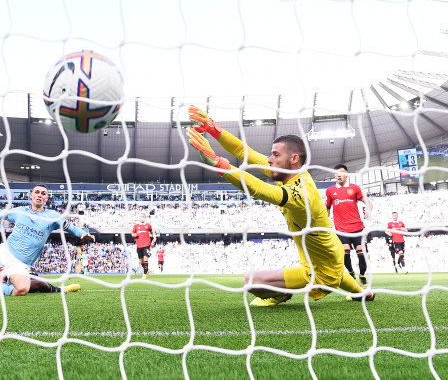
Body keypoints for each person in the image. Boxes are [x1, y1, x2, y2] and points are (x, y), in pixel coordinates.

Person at [186, 105, 374, 306]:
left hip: (319, 271)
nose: (269, 159)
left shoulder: (302, 193)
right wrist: (213, 129)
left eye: (275, 155)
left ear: (293, 159)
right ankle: (361, 292)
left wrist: (218, 164)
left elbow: (258, 189)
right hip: (330, 255)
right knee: (334, 269)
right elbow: (244, 152)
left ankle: (281, 294)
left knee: (251, 280)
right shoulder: (289, 174)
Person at [0, 182, 94, 296]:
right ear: (31, 195)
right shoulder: (19, 211)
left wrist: (82, 233)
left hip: (20, 264)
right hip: (2, 252)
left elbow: (70, 227)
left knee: (22, 290)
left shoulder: (53, 216)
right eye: (36, 192)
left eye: (43, 193)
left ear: (46, 198)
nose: (39, 195)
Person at [325, 164, 373, 287]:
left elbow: (367, 201)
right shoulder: (330, 191)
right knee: (345, 252)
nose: (339, 175)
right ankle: (351, 273)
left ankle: (362, 274)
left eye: (341, 172)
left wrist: (368, 210)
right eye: (336, 173)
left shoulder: (355, 188)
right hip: (341, 229)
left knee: (362, 254)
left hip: (357, 227)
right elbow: (327, 207)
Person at [131, 212, 156, 279]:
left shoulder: (148, 225)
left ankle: (145, 274)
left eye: (143, 216)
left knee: (145, 259)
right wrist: (135, 235)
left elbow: (152, 232)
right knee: (141, 261)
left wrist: (154, 238)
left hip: (146, 245)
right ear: (139, 218)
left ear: (145, 218)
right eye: (141, 216)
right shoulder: (136, 226)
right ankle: (147, 270)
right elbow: (132, 234)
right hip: (139, 246)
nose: (141, 217)